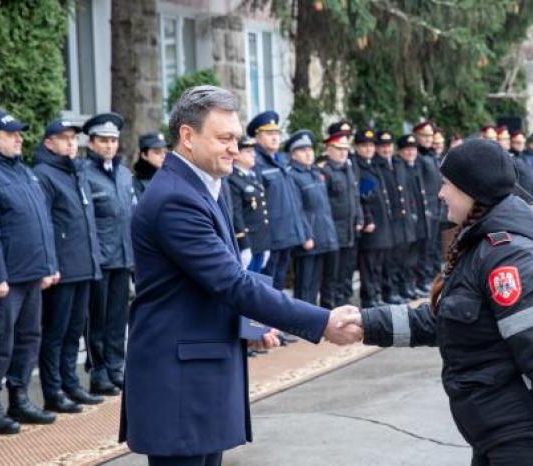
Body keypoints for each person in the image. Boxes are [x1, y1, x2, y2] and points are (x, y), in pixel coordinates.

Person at [351, 139, 533, 466]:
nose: (440, 193)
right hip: (496, 434)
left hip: (524, 439)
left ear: (473, 191)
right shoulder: (481, 245)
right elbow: (448, 321)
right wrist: (366, 323)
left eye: (447, 185)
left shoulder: (509, 257)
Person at [119, 85, 362, 466]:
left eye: (236, 138)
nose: (235, 148)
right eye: (224, 138)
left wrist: (252, 325)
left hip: (198, 373)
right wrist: (321, 321)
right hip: (180, 384)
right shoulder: (175, 198)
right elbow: (231, 281)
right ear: (187, 136)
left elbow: (213, 280)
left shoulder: (203, 186)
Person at [0, 110, 58, 434]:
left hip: (31, 273)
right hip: (7, 279)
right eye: (12, 134)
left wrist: (49, 266)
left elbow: (43, 223)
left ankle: (19, 399)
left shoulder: (23, 171)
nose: (20, 138)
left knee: (28, 338)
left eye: (20, 133)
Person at [33, 120, 104, 413]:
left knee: (75, 330)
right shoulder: (44, 174)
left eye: (74, 138)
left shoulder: (76, 171)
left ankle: (71, 384)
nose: (71, 143)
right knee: (56, 332)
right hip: (62, 267)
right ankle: (53, 390)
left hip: (84, 263)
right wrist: (51, 264)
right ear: (49, 143)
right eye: (64, 138)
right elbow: (45, 224)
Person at [83, 112, 134, 395]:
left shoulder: (124, 173)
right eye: (103, 140)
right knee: (97, 319)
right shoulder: (85, 173)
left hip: (123, 255)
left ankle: (116, 366)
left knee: (118, 317)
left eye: (113, 140)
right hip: (100, 257)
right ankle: (99, 371)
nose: (109, 146)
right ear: (91, 143)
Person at [249, 111, 309, 294]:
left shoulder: (281, 160)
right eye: (269, 134)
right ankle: (265, 323)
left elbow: (291, 199)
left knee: (279, 282)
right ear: (257, 136)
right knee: (266, 285)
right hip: (271, 237)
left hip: (287, 234)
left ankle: (276, 322)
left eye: (276, 133)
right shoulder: (256, 162)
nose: (275, 138)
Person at [287, 130, 339, 304]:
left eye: (310, 149)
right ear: (293, 154)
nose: (309, 153)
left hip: (322, 235)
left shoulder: (315, 172)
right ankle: (300, 322)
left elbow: (323, 207)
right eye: (303, 150)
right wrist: (306, 236)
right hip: (308, 238)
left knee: (316, 282)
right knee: (304, 283)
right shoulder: (292, 175)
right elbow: (296, 209)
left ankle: (312, 319)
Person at [319, 130, 363, 308]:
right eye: (338, 148)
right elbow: (323, 205)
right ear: (328, 149)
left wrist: (359, 218)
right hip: (334, 230)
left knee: (347, 269)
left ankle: (344, 302)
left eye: (345, 148)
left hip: (350, 229)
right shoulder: (326, 171)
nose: (343, 152)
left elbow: (355, 197)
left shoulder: (349, 169)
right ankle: (330, 306)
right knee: (332, 272)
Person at [374, 130, 413, 304]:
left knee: (402, 258)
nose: (386, 149)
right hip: (389, 221)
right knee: (388, 261)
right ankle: (389, 291)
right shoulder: (376, 166)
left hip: (402, 219)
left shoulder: (398, 163)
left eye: (388, 146)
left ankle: (400, 288)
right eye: (382, 146)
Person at [355, 128, 393, 307]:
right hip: (370, 224)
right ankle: (369, 298)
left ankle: (377, 295)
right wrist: (367, 219)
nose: (369, 149)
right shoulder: (357, 167)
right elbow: (362, 198)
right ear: (357, 148)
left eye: (371, 145)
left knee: (378, 263)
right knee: (369, 264)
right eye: (364, 146)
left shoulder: (373, 165)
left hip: (382, 222)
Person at [227, 135, 271, 272]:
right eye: (248, 151)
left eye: (253, 151)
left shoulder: (252, 177)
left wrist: (265, 245)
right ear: (237, 154)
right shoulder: (232, 179)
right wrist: (243, 245)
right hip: (247, 244)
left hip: (259, 243)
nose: (253, 154)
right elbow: (236, 215)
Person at [396, 134, 430, 298]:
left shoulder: (416, 166)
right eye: (407, 150)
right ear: (400, 151)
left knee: (418, 254)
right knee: (406, 257)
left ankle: (414, 283)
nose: (410, 152)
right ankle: (405, 286)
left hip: (421, 217)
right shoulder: (400, 167)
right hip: (407, 219)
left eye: (413, 149)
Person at [413, 121, 442, 290]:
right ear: (417, 136)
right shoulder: (418, 157)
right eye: (425, 135)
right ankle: (422, 279)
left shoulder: (432, 156)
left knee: (434, 247)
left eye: (430, 135)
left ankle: (433, 276)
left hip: (436, 207)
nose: (429, 139)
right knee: (423, 249)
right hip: (424, 209)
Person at [133, 131, 168, 201]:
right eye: (157, 152)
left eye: (165, 152)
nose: (163, 156)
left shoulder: (169, 179)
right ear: (144, 155)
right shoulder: (133, 184)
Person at [509, 130, 533, 202]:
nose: (520, 145)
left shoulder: (525, 157)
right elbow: (515, 184)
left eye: (522, 143)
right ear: (511, 142)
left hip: (532, 197)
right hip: (521, 200)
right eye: (518, 142)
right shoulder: (510, 158)